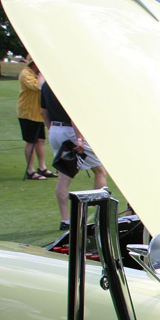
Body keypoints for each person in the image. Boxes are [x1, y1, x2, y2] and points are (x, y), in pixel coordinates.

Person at [39, 81, 108, 230]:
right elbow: (73, 114)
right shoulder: (66, 83)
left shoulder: (46, 84)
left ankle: (66, 220)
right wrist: (79, 139)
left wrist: (52, 130)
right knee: (100, 171)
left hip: (55, 130)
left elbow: (43, 112)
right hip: (71, 132)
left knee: (64, 176)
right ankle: (98, 216)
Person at [17, 57, 55, 180]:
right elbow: (39, 87)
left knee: (40, 141)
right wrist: (42, 74)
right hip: (27, 112)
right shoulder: (26, 73)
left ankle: (42, 167)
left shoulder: (37, 74)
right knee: (31, 142)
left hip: (38, 113)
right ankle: (30, 170)